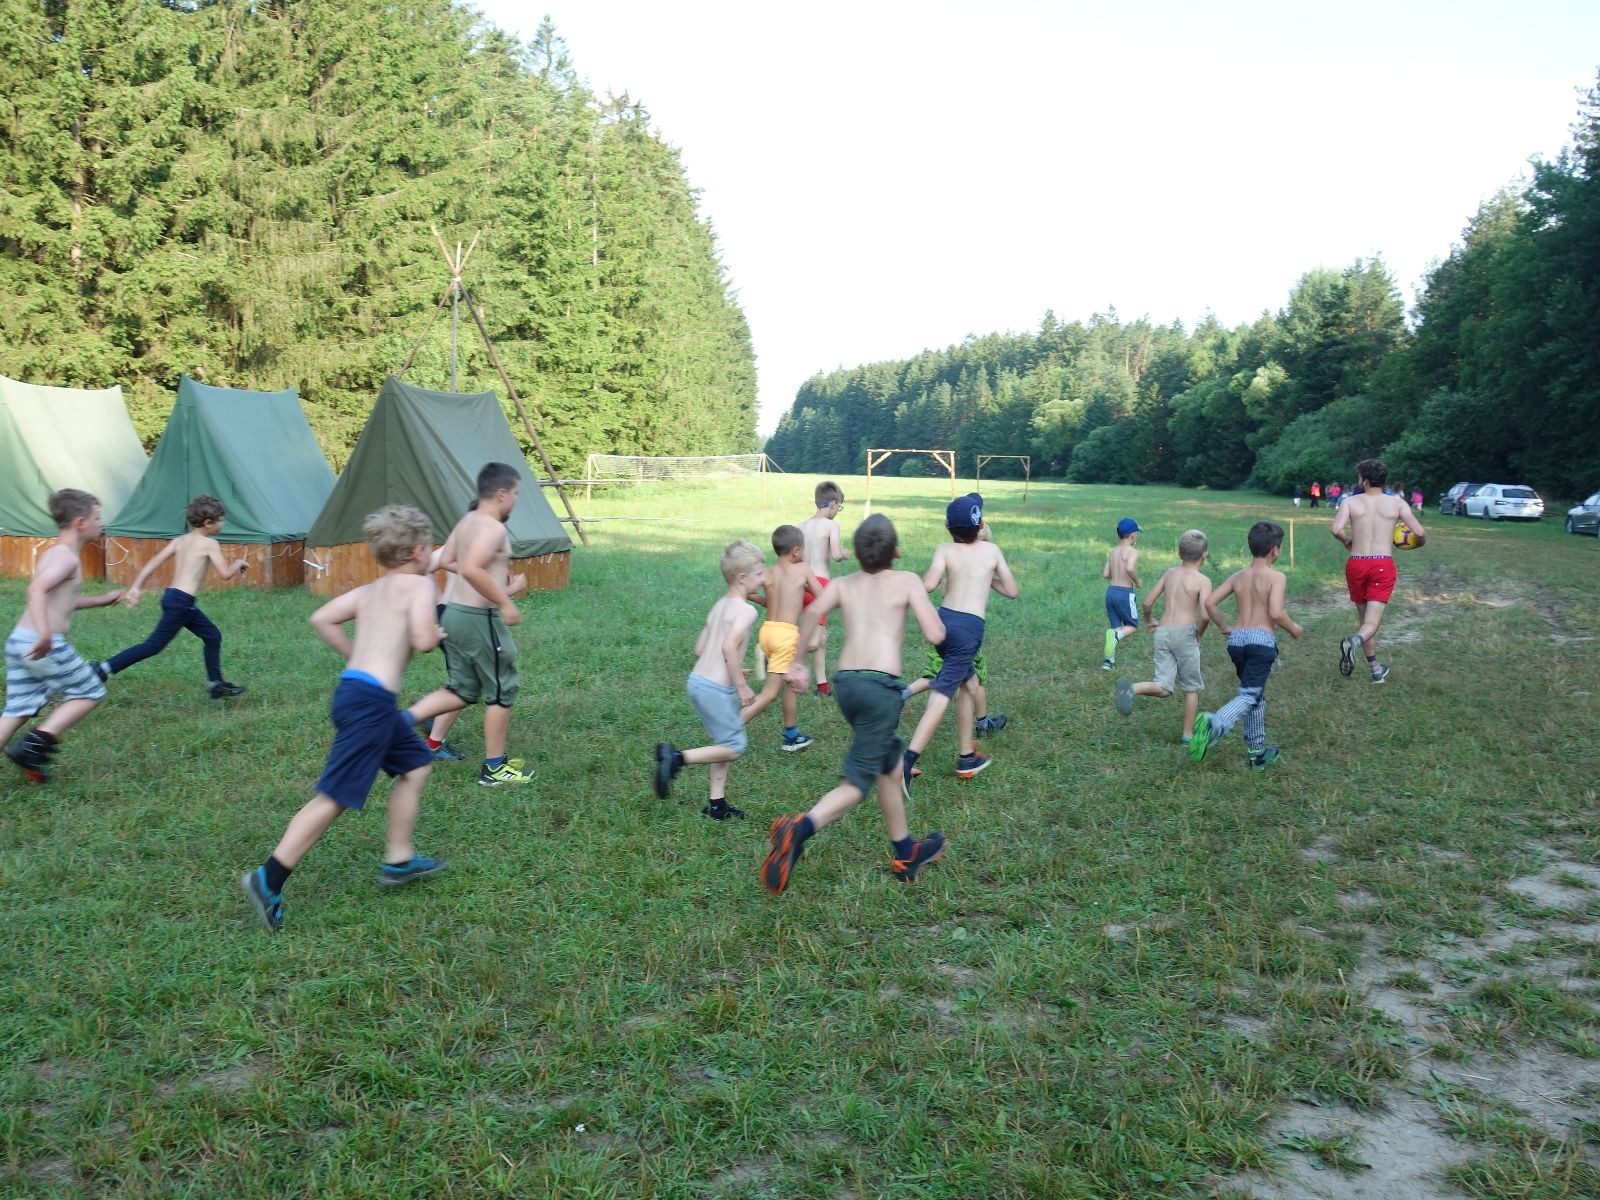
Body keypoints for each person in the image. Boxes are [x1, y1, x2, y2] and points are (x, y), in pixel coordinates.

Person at [240, 506, 447, 931]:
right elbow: (425, 640)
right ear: (418, 551)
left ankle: (399, 858)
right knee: (333, 797)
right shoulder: (420, 585)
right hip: (371, 705)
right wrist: (437, 631)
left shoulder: (371, 590)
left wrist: (358, 656)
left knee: (415, 765)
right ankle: (268, 878)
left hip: (356, 694)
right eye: (430, 547)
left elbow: (322, 617)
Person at [761, 514, 947, 896]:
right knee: (856, 784)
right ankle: (798, 830)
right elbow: (935, 633)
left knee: (889, 766)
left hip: (847, 687)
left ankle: (906, 854)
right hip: (880, 692)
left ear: (858, 555)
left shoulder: (844, 584)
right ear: (896, 552)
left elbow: (813, 611)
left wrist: (798, 663)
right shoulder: (908, 581)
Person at [406, 463, 534, 785]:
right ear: (501, 493)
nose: (516, 500)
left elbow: (450, 561)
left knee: (462, 689)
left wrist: (486, 576)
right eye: (516, 493)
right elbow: (472, 568)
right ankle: (494, 768)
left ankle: (397, 723)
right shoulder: (493, 528)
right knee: (503, 689)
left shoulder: (466, 522)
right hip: (478, 619)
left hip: (453, 614)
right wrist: (506, 601)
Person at [2, 490, 122, 782]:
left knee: (18, 709)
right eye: (97, 517)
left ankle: (30, 748)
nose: (101, 523)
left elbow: (60, 600)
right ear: (80, 522)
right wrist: (44, 633)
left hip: (20, 640)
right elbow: (36, 590)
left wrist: (102, 600)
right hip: (44, 643)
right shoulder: (67, 559)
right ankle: (33, 746)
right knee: (90, 691)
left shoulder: (54, 553)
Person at [901, 493, 1018, 789]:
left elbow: (929, 585)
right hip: (968, 631)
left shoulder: (944, 550)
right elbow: (1012, 590)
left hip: (942, 624)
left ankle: (967, 756)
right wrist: (987, 576)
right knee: (943, 692)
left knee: (970, 683)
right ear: (980, 526)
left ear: (947, 527)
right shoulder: (992, 551)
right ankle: (905, 762)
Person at [96, 494, 249, 699]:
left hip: (174, 598)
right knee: (153, 646)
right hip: (182, 603)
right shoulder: (210, 543)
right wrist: (238, 563)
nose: (223, 524)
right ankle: (102, 669)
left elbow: (153, 563)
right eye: (221, 520)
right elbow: (225, 574)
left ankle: (217, 684)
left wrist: (136, 587)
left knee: (212, 636)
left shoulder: (180, 541)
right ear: (208, 523)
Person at [654, 540, 765, 821]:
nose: (764, 579)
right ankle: (676, 758)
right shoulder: (747, 610)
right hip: (716, 689)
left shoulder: (719, 606)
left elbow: (700, 648)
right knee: (734, 747)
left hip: (698, 681)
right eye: (760, 573)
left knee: (722, 743)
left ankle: (717, 805)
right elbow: (728, 647)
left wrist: (734, 669)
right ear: (743, 578)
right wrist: (741, 685)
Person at [1189, 521, 1303, 767]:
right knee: (1249, 694)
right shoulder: (1276, 577)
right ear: (1275, 550)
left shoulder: (1238, 576)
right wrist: (1294, 628)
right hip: (1261, 642)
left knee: (1256, 698)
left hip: (1237, 641)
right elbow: (1276, 612)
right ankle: (1214, 724)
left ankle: (1257, 754)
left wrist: (1224, 627)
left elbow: (1209, 603)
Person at [1332, 458, 1426, 684]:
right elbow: (1420, 533)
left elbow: (1336, 529)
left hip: (1356, 563)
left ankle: (1375, 670)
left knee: (1364, 620)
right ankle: (1354, 642)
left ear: (1365, 481)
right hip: (1382, 564)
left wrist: (1346, 541)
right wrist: (1416, 544)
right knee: (1371, 624)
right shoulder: (1397, 504)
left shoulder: (1350, 502)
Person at [1115, 529, 1212, 744]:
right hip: (1185, 633)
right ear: (1204, 555)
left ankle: (1133, 689)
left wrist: (1150, 621)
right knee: (1192, 688)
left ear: (1179, 553)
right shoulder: (1203, 581)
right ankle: (1187, 735)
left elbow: (1147, 602)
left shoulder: (1170, 573)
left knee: (1164, 686)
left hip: (1163, 632)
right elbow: (1206, 615)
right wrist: (1198, 634)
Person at [741, 524, 822, 751]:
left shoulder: (768, 572)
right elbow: (822, 595)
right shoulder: (802, 569)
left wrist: (763, 600)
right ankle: (731, 726)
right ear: (796, 551)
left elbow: (746, 590)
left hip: (767, 632)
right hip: (786, 635)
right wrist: (806, 591)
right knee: (773, 692)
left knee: (787, 684)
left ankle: (791, 734)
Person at [799, 481, 848, 697]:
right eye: (839, 507)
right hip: (819, 585)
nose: (838, 511)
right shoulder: (831, 526)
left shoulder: (800, 526)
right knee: (813, 641)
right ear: (833, 503)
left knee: (822, 637)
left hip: (801, 583)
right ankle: (774, 652)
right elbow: (836, 555)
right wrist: (845, 553)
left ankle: (822, 685)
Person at [1101, 517, 1141, 669]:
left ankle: (1108, 661)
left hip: (1110, 593)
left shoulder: (1112, 552)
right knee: (1132, 625)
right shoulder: (1133, 552)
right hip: (1125, 593)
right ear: (1133, 535)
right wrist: (1137, 581)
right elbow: (1130, 568)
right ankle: (1117, 637)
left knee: (1116, 626)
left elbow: (1106, 574)